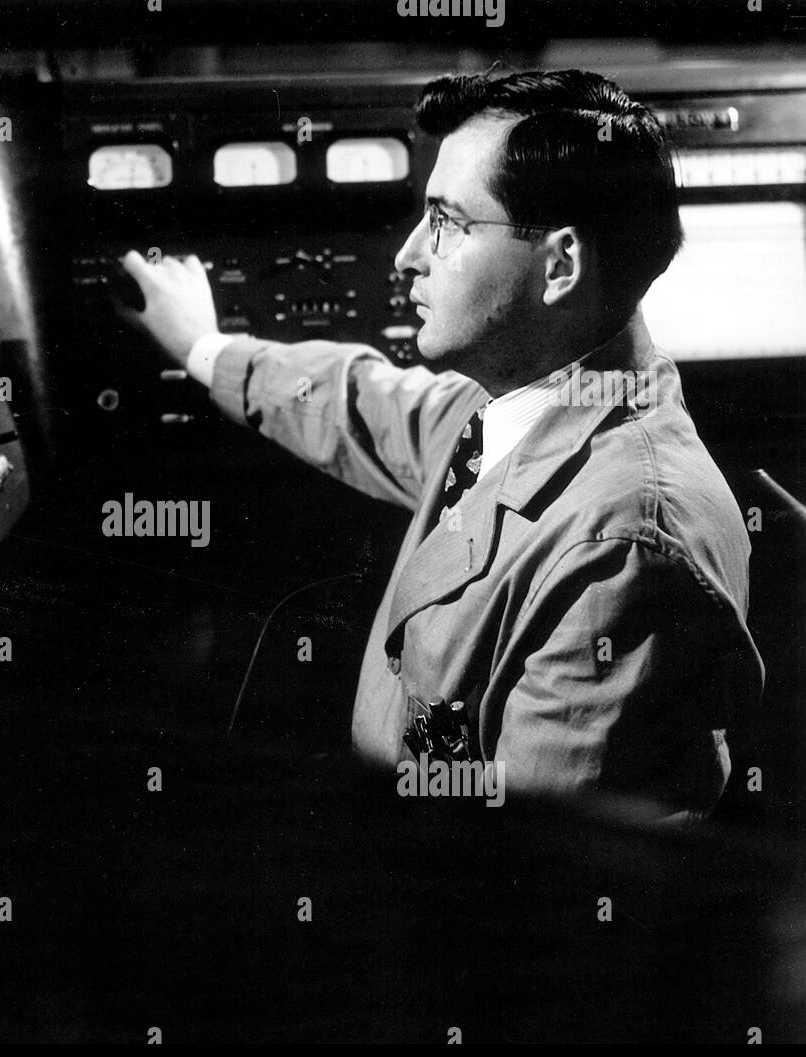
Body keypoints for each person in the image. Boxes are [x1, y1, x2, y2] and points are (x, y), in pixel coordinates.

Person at [117, 69, 763, 821]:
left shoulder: (621, 552)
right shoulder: (536, 397)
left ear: (560, 265)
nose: (407, 255)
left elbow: (541, 880)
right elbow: (364, 404)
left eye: (448, 222)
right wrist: (204, 347)